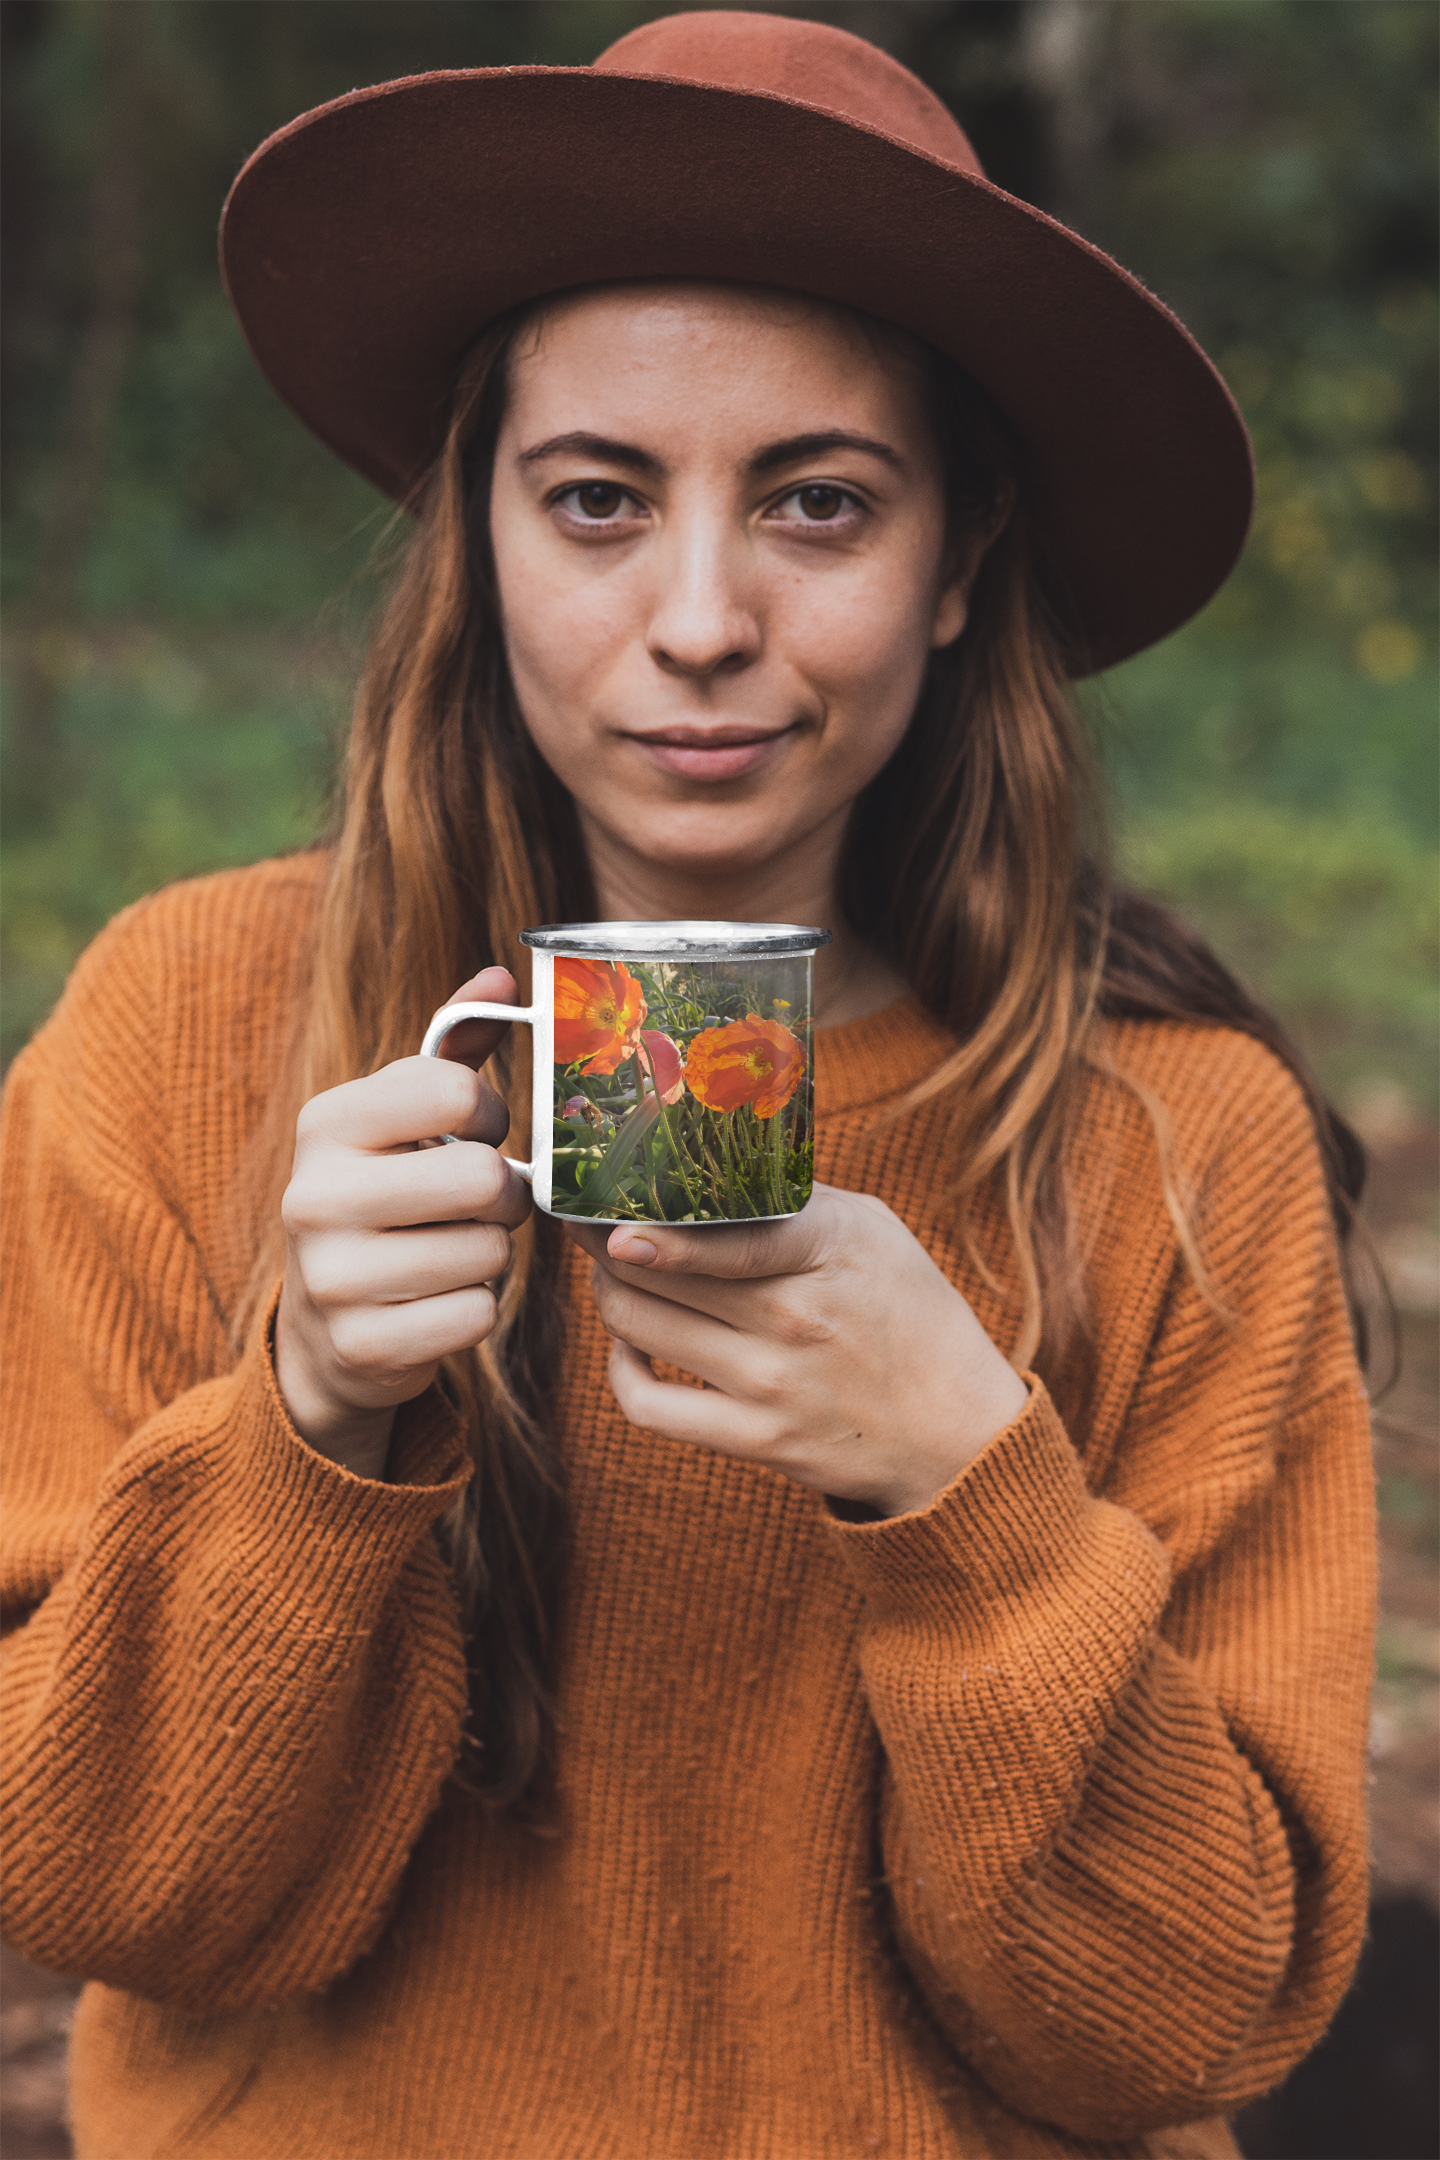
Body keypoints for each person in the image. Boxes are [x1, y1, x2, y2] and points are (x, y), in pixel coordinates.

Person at [0, 14, 1376, 2159]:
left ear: (955, 567)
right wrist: (308, 1423)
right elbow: (104, 1895)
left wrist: (971, 1501)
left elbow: (1175, 2034)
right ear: (481, 535)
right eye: (599, 502)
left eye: (819, 504)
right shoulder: (189, 1032)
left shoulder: (1175, 1145)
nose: (705, 618)